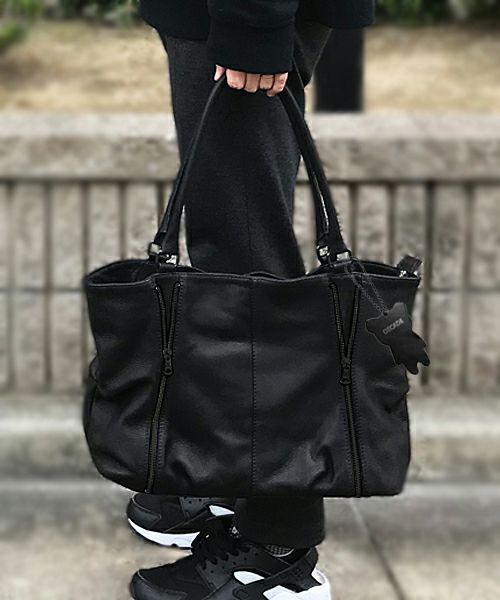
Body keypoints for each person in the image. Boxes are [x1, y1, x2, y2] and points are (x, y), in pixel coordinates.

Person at [127, 1, 374, 599]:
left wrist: (253, 20)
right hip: (213, 16)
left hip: (239, 17)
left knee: (247, 276)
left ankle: (276, 547)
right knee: (232, 262)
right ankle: (237, 479)